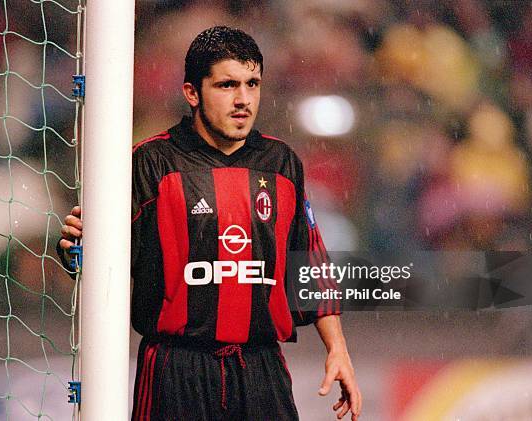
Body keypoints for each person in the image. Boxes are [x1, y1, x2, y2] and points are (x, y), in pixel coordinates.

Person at [58, 26, 361, 420]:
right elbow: (99, 262)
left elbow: (310, 263)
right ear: (192, 93)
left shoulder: (282, 164)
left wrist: (338, 349)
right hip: (175, 369)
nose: (243, 100)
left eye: (253, 84)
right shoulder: (151, 163)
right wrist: (75, 250)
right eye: (227, 85)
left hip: (261, 368)